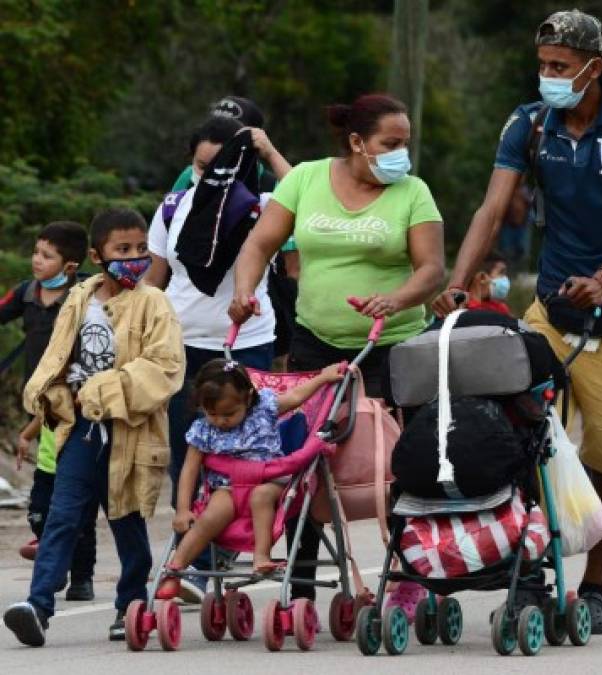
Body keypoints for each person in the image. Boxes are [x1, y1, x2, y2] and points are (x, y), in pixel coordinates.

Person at [433, 10, 602, 634]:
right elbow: (491, 208)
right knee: (528, 442)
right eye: (543, 65)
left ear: (593, 67)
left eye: (560, 67)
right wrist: (458, 284)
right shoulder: (529, 123)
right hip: (549, 310)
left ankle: (593, 588)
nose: (548, 76)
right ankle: (535, 574)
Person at [228, 93, 444, 621]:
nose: (401, 155)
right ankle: (301, 585)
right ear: (356, 143)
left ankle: (408, 577)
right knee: (306, 460)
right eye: (389, 144)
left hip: (391, 346)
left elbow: (432, 269)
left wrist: (396, 299)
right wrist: (244, 291)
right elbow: (259, 244)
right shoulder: (304, 179)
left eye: (405, 145)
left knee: (395, 466)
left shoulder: (413, 193)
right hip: (314, 342)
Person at [2, 209, 185, 646]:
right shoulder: (80, 297)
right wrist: (50, 397)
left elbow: (165, 368)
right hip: (81, 428)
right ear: (96, 255)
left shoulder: (153, 302)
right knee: (62, 515)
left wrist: (103, 389)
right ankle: (38, 605)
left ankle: (130, 605)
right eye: (123, 250)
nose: (135, 257)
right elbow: (57, 358)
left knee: (125, 518)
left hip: (130, 427)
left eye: (141, 248)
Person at [145, 116, 289, 601]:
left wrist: (268, 151)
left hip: (246, 342)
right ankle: (192, 547)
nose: (210, 177)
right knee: (191, 450)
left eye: (223, 166)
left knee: (242, 452)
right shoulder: (173, 208)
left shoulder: (265, 207)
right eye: (202, 166)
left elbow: (310, 200)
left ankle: (208, 563)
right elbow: (156, 279)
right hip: (182, 343)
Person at [154, 359, 343, 598]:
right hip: (227, 487)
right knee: (210, 516)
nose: (221, 420)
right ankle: (175, 568)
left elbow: (295, 396)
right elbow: (189, 469)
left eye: (229, 414)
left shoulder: (265, 407)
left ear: (247, 398)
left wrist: (323, 377)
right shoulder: (203, 429)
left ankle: (261, 556)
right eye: (212, 413)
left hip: (271, 482)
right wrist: (182, 509)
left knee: (260, 496)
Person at [1, 222, 99, 600]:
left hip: (74, 405)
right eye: (36, 252)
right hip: (40, 407)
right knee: (42, 504)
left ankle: (82, 576)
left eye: (47, 255)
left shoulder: (83, 298)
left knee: (79, 502)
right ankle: (52, 557)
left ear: (71, 265)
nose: (36, 260)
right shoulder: (27, 294)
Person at [497, 184, 533, 269]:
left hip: (522, 225)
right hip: (508, 224)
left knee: (522, 251)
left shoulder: (525, 190)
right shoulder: (505, 190)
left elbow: (532, 203)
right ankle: (508, 272)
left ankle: (521, 271)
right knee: (506, 251)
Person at [466, 251, 513, 316]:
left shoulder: (501, 309)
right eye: (501, 273)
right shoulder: (463, 306)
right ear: (482, 277)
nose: (505, 279)